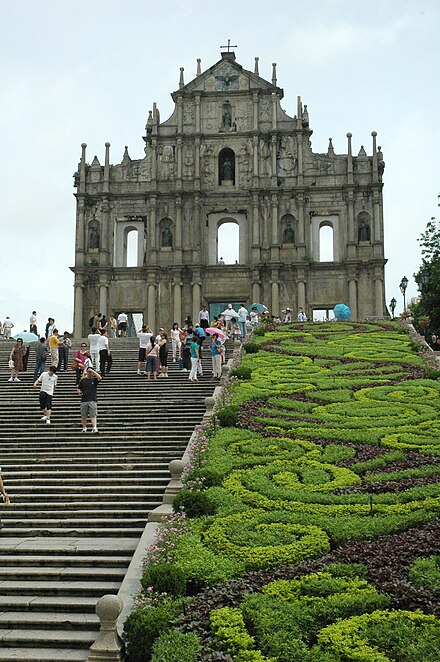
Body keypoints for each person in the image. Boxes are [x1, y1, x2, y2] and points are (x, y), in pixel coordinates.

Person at [77, 366, 102, 433]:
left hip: (92, 399)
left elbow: (99, 378)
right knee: (83, 415)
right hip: (84, 399)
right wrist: (79, 391)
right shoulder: (83, 380)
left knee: (93, 414)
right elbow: (79, 388)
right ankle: (84, 427)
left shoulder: (94, 380)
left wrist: (93, 371)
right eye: (89, 372)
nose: (90, 373)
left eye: (91, 372)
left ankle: (94, 427)